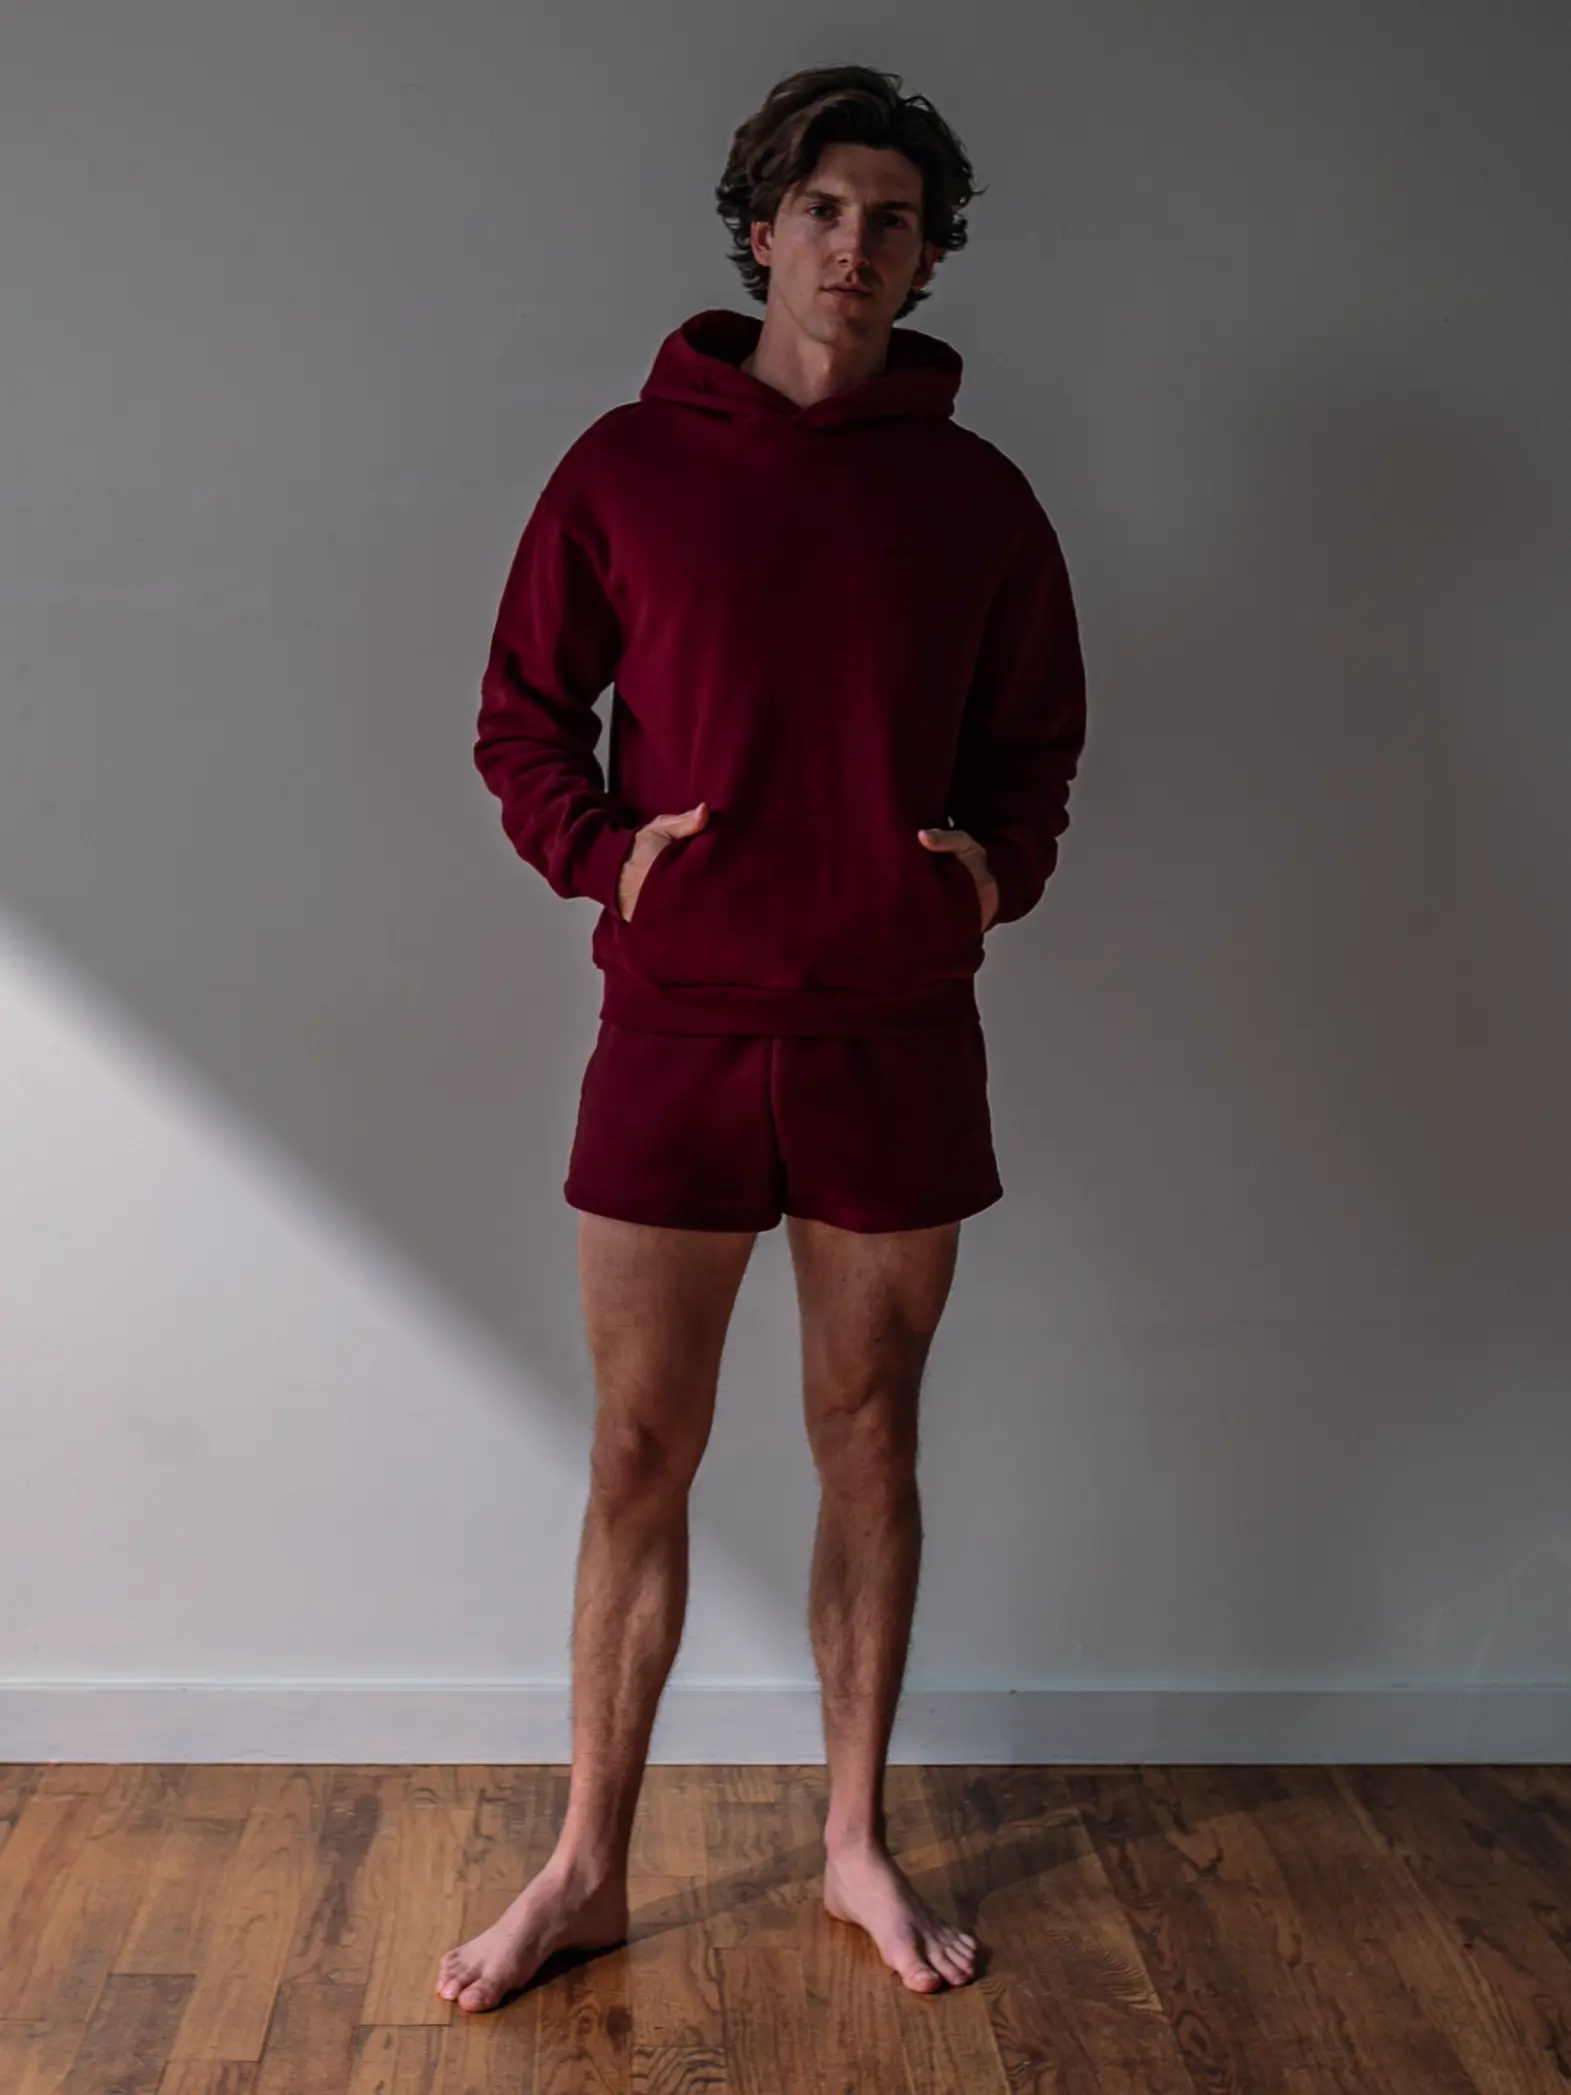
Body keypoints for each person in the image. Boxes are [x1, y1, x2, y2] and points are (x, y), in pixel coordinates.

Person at [441, 61, 1087, 2012]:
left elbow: (1033, 746)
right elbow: (517, 720)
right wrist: (606, 859)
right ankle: (582, 1866)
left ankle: (849, 1847)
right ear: (757, 227)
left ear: (925, 257)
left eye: (893, 221)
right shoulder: (628, 467)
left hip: (896, 1028)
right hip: (677, 1026)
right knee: (639, 1444)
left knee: (865, 1434)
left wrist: (985, 876)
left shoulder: (974, 499)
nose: (855, 247)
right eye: (824, 210)